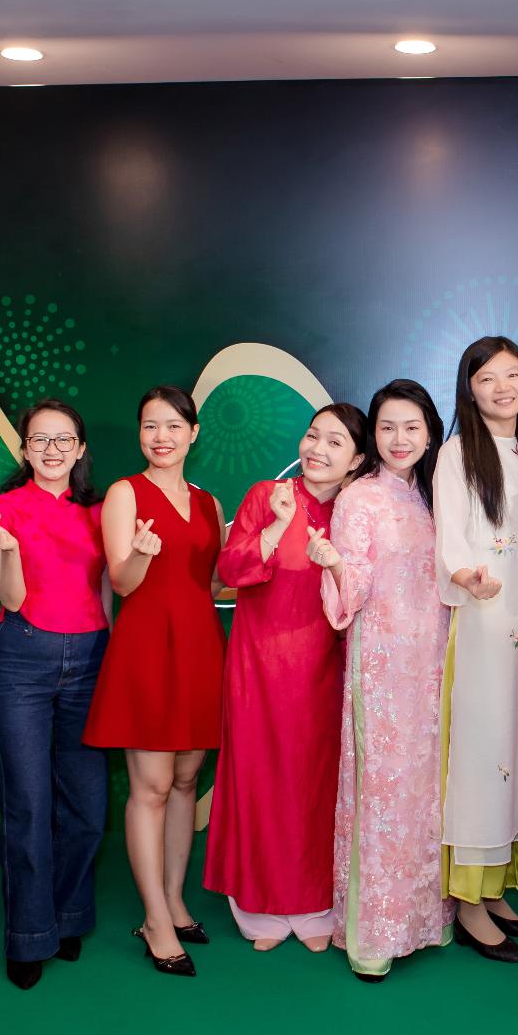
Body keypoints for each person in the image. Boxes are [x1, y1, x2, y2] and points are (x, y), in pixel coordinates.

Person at [204, 403, 369, 951]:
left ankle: (314, 900)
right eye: (313, 435)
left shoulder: (354, 512)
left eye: (335, 442)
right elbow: (230, 571)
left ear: (357, 460)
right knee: (260, 777)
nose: (317, 449)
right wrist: (276, 526)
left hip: (326, 667)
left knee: (316, 782)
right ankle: (259, 900)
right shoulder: (267, 495)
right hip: (259, 663)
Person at [83, 385, 225, 977]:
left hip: (199, 648)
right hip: (146, 650)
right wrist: (141, 552)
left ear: (193, 433)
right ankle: (154, 919)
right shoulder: (125, 493)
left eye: (172, 426)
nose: (161, 437)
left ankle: (173, 899)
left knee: (187, 780)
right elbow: (122, 581)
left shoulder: (210, 502)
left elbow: (212, 584)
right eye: (150, 426)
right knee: (153, 787)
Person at [317, 380, 454, 980]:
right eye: (388, 427)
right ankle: (374, 930)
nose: (400, 439)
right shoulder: (359, 498)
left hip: (434, 664)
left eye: (412, 428)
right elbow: (352, 589)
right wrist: (334, 564)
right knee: (380, 792)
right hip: (381, 667)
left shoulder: (434, 495)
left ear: (429, 434)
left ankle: (423, 919)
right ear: (373, 434)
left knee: (426, 791)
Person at [0, 399, 108, 990]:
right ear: (24, 449)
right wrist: (4, 552)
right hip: (25, 657)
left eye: (63, 440)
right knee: (28, 802)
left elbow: (110, 590)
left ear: (80, 449)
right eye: (39, 440)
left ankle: (69, 914)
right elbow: (11, 598)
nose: (51, 451)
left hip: (91, 659)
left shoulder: (101, 512)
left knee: (86, 807)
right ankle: (28, 934)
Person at [432, 336, 518, 963]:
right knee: (482, 754)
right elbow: (450, 539)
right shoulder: (456, 454)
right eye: (487, 378)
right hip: (483, 620)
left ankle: (499, 882)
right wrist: (466, 578)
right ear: (469, 389)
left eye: (512, 374)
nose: (502, 387)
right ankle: (469, 903)